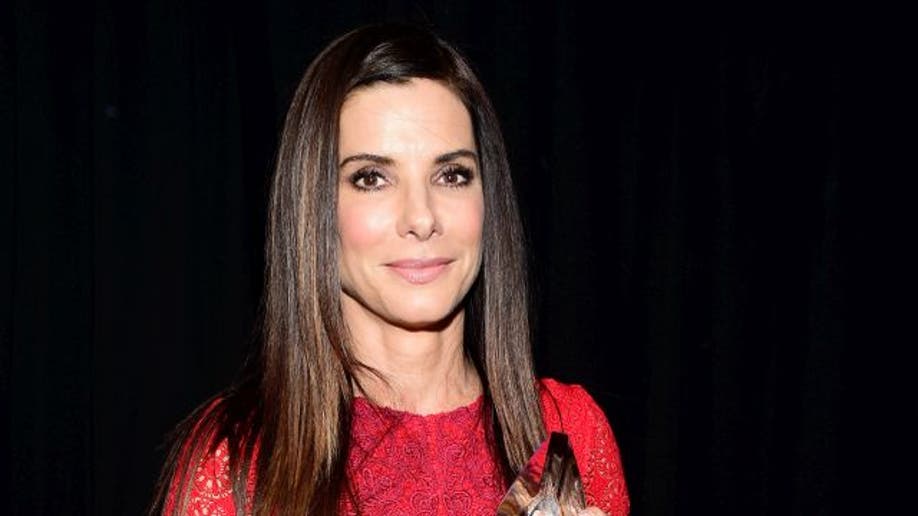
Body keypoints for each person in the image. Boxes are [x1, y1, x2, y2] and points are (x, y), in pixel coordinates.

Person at [150, 22, 629, 515]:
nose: (422, 218)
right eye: (372, 178)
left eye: (452, 174)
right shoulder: (240, 459)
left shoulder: (568, 433)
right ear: (314, 209)